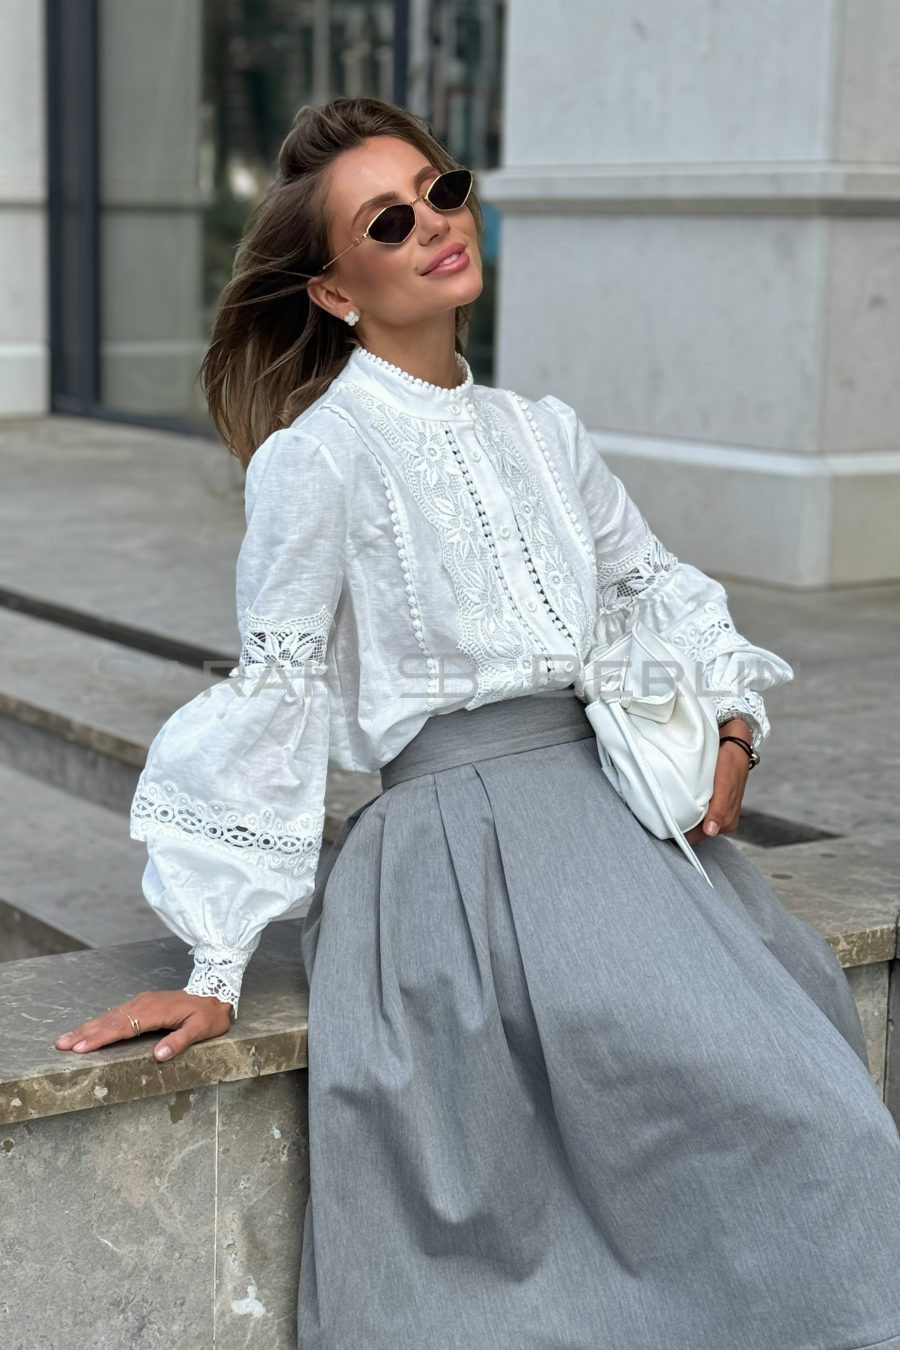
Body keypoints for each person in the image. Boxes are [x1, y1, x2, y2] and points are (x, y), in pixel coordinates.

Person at [54, 97, 900, 1349]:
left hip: (621, 829)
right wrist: (219, 964)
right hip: (458, 858)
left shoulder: (540, 432)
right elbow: (274, 686)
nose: (438, 224)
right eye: (388, 222)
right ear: (335, 292)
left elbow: (652, 584)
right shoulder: (316, 455)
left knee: (814, 1102)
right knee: (578, 1200)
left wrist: (731, 723)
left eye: (441, 189)